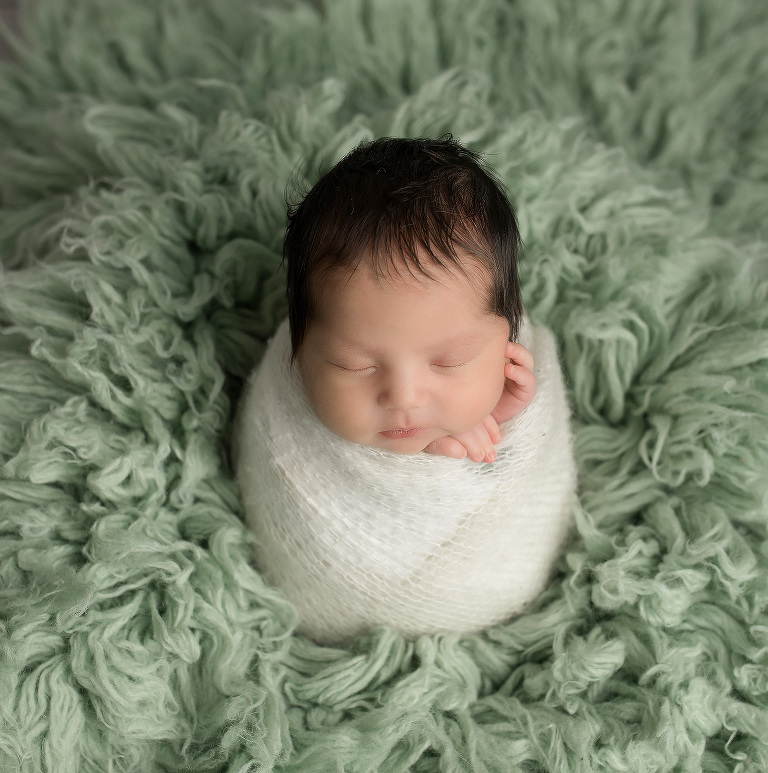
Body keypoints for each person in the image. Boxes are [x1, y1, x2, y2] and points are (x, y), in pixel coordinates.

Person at [283, 135, 536, 462]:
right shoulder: (289, 427)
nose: (404, 397)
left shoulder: (511, 367)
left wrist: (502, 415)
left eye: (450, 362)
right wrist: (427, 457)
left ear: (506, 346)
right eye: (354, 365)